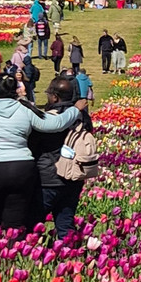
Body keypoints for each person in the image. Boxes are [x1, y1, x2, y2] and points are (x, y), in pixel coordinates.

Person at [0, 74, 85, 234]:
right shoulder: (24, 109)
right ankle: (12, 249)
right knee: (14, 224)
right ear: (16, 90)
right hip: (19, 170)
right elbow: (55, 124)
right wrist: (75, 109)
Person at [30, 77, 94, 240]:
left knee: (33, 221)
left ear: (54, 97)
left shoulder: (46, 119)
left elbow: (34, 146)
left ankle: (30, 253)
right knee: (65, 221)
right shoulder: (83, 118)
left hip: (48, 177)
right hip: (74, 176)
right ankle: (69, 256)